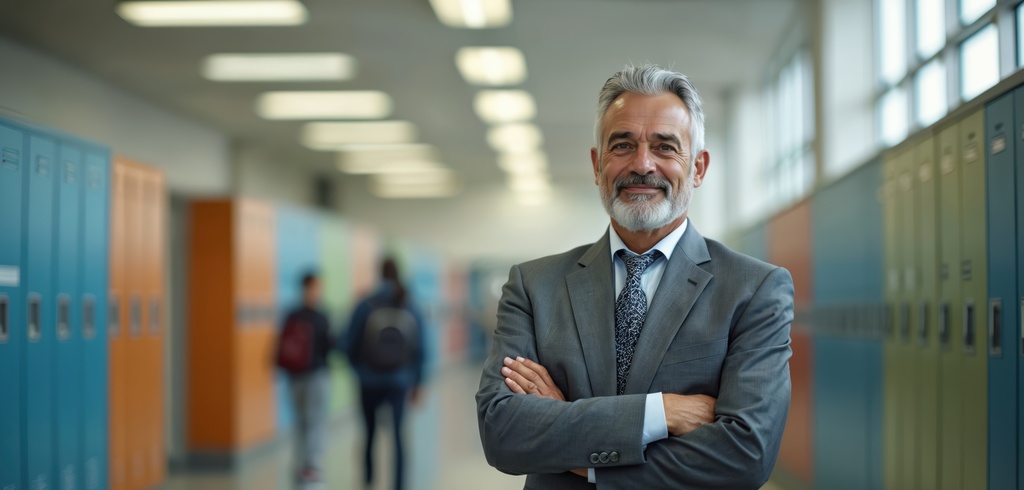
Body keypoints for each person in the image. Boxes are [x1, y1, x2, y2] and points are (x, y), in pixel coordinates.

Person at [475, 64, 795, 489]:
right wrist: (661, 412)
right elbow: (503, 433)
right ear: (597, 164)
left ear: (698, 168)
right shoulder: (534, 287)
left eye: (665, 147)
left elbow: (745, 455)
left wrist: (577, 450)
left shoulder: (754, 290)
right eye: (623, 145)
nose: (642, 164)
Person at [341, 258, 426, 490]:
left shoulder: (365, 304)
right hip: (399, 380)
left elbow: (348, 343)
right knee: (398, 436)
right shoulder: (409, 304)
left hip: (368, 380)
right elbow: (421, 347)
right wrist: (417, 382)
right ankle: (399, 484)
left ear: (379, 273)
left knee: (369, 433)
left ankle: (368, 480)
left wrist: (358, 371)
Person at [277, 272, 333, 484]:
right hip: (315, 375)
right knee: (313, 421)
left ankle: (302, 463)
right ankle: (311, 464)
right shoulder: (321, 316)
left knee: (302, 421)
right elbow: (330, 345)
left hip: (295, 376)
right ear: (308, 289)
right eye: (316, 287)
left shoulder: (292, 315)